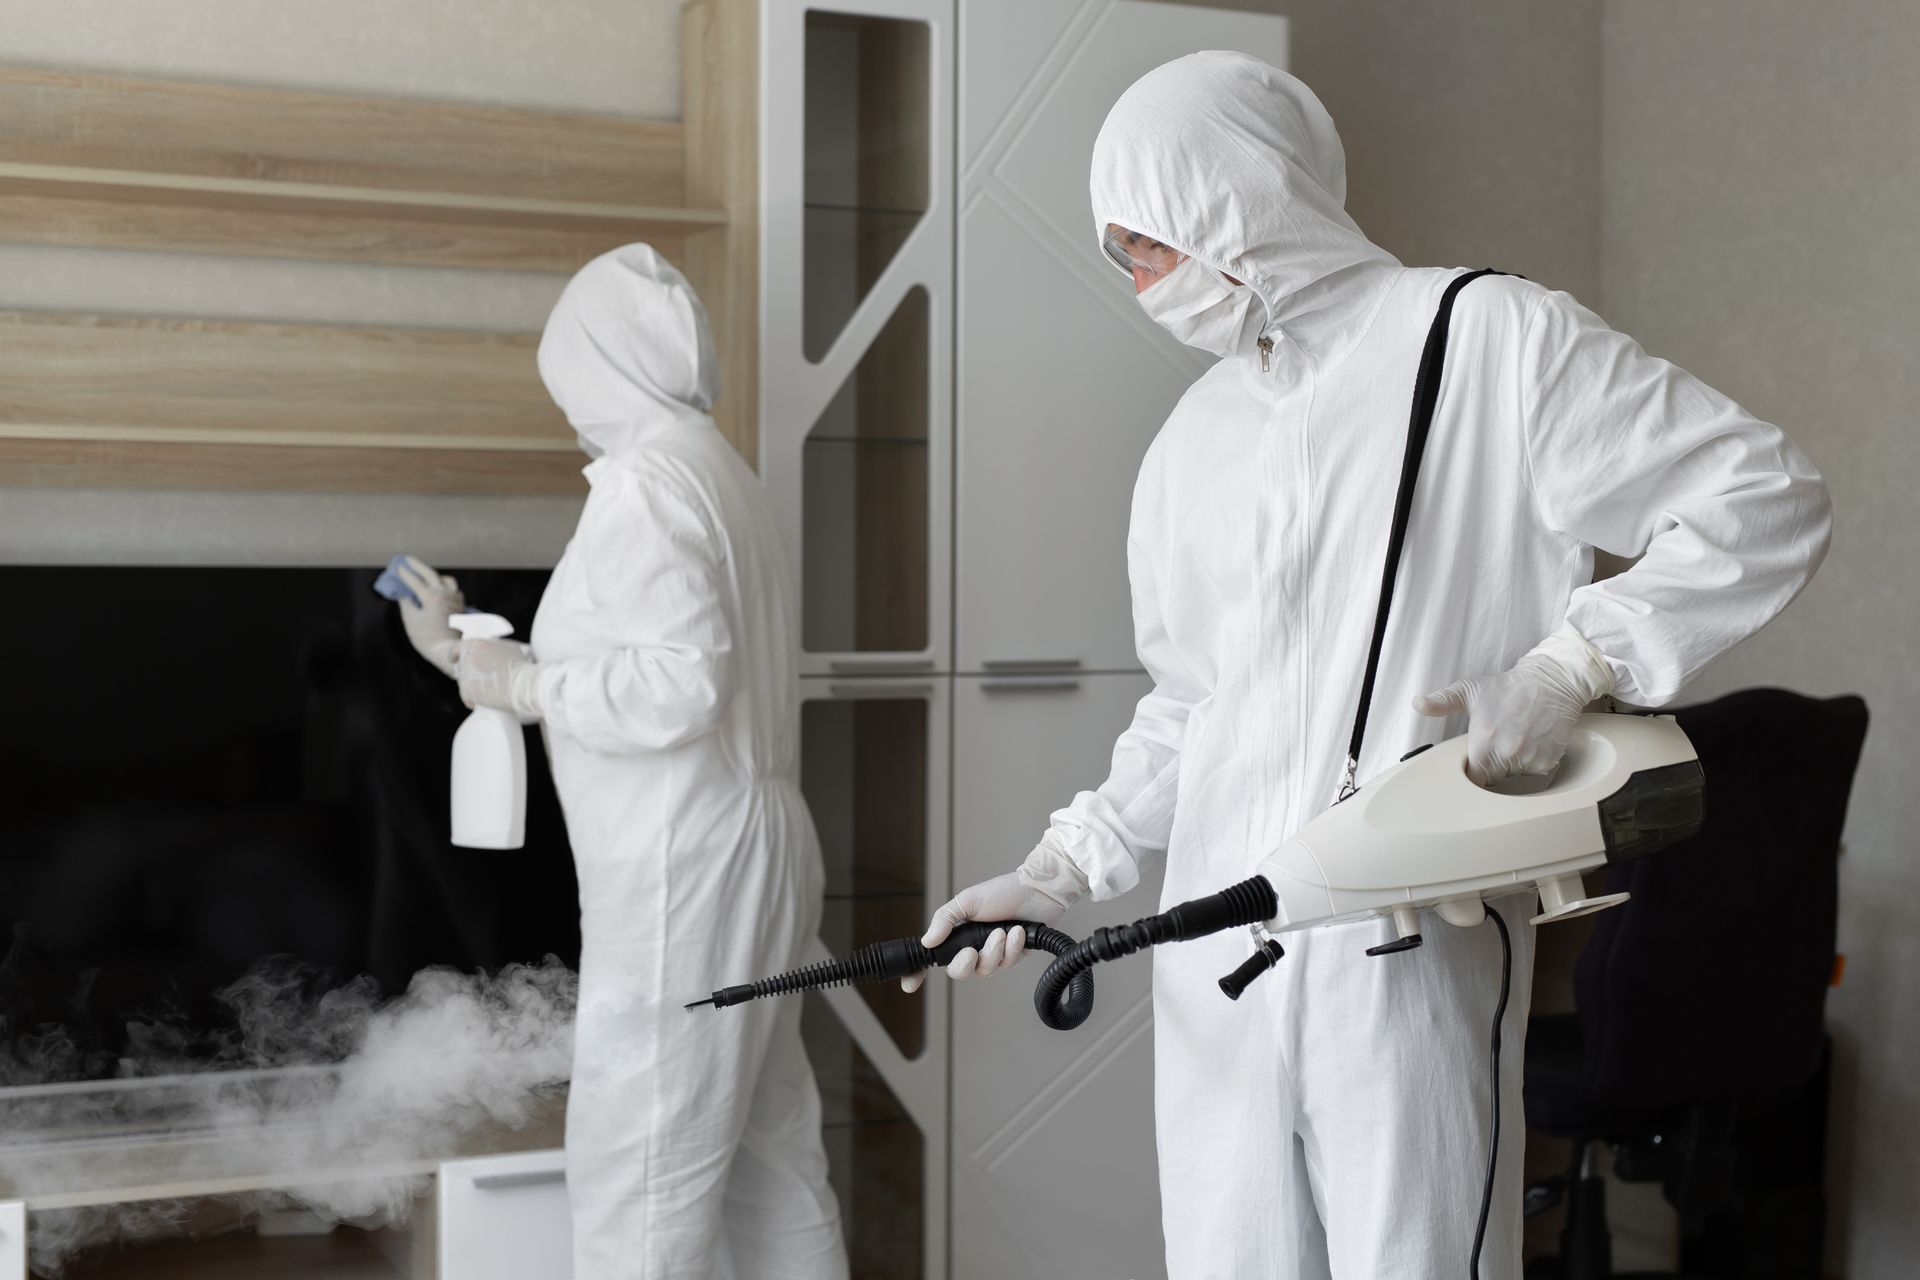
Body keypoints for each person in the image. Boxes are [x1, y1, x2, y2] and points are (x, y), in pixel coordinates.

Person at [903, 52, 1830, 1279]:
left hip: (1406, 958)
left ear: (1227, 197)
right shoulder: (1192, 440)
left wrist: (1571, 664)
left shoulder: (1488, 339)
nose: (1130, 275)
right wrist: (1058, 868)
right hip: (1213, 968)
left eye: (1145, 238)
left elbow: (1764, 496)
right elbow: (1192, 705)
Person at [396, 245, 849, 1280]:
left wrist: (518, 685)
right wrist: (470, 655)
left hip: (684, 874)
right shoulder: (721, 470)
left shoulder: (647, 483)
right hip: (761, 846)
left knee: (638, 1179)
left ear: (598, 363)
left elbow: (676, 684)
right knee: (772, 1162)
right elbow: (649, 652)